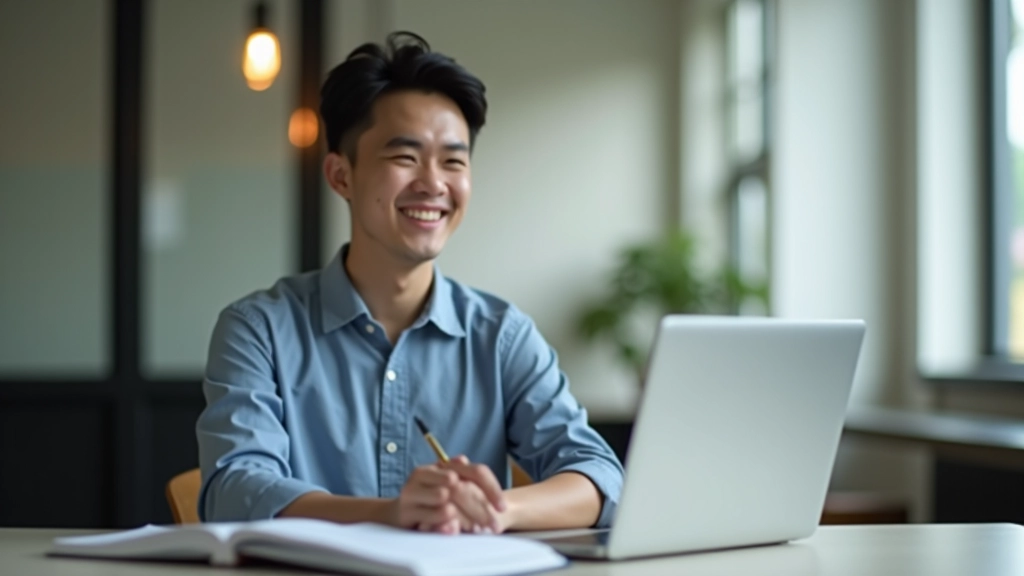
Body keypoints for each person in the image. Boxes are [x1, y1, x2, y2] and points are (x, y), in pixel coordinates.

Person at [196, 31, 623, 534]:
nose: (434, 183)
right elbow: (235, 489)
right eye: (405, 157)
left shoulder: (501, 336)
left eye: (453, 161)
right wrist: (390, 514)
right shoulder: (258, 330)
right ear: (341, 176)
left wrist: (494, 510)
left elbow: (599, 476)